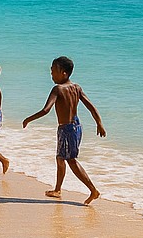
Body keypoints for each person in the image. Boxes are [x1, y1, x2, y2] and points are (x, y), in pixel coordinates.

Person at [21, 56, 106, 204]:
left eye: (54, 70)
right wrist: (99, 123)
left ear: (64, 73)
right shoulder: (76, 88)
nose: (51, 74)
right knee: (60, 158)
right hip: (76, 126)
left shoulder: (58, 89)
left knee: (71, 160)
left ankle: (93, 190)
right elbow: (90, 106)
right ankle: (57, 189)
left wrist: (29, 119)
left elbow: (46, 110)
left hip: (67, 129)